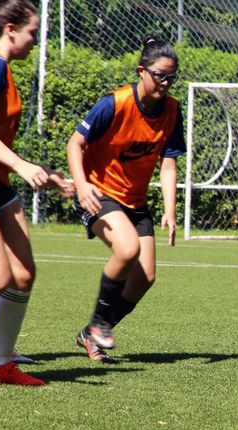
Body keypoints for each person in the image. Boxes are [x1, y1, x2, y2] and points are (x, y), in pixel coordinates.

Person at [0, 0, 70, 385]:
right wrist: (22, 166)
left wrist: (45, 174)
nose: (35, 41)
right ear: (10, 30)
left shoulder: (1, 68)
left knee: (21, 275)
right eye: (32, 33)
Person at [67, 35, 185, 363]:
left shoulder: (172, 110)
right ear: (142, 71)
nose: (165, 83)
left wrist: (171, 212)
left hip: (135, 202)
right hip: (99, 193)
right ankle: (101, 324)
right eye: (160, 75)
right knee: (128, 249)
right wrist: (81, 185)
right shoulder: (114, 104)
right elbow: (74, 144)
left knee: (145, 277)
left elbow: (169, 164)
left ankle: (92, 331)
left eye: (171, 77)